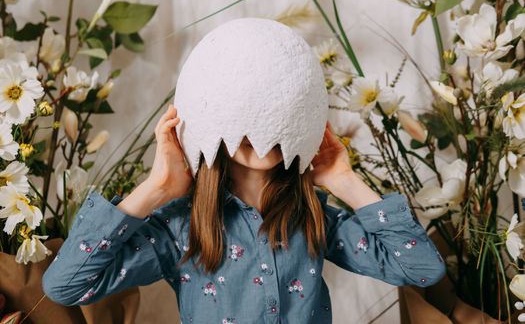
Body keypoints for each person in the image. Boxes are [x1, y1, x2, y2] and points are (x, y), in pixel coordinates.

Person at [43, 103, 446, 324]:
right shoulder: (181, 227)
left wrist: (343, 181)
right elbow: (66, 287)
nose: (262, 126)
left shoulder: (312, 216)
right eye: (245, 112)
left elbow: (422, 270)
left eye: (274, 109)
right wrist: (157, 188)